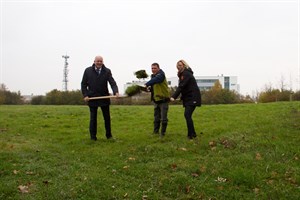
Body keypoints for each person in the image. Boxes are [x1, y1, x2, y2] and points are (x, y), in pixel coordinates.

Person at [81, 55, 119, 140]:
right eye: (97, 61)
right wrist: (85, 95)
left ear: (103, 62)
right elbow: (83, 84)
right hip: (92, 98)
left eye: (100, 61)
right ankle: (93, 137)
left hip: (104, 97)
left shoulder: (107, 71)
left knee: (107, 118)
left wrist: (116, 92)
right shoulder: (88, 71)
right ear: (94, 61)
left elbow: (112, 82)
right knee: (93, 118)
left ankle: (109, 136)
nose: (99, 63)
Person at [170, 59, 201, 140]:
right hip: (188, 97)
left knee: (187, 115)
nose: (178, 67)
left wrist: (174, 96)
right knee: (187, 115)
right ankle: (192, 134)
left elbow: (181, 86)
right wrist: (182, 97)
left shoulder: (186, 74)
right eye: (177, 66)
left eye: (180, 65)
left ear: (184, 65)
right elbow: (185, 88)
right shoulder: (182, 75)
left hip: (193, 97)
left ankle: (191, 135)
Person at [145, 63, 170, 138]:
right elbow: (153, 87)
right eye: (152, 68)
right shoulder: (153, 76)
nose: (153, 70)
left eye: (155, 68)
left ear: (158, 68)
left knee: (163, 118)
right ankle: (155, 132)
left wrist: (146, 84)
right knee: (156, 117)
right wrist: (148, 89)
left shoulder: (161, 75)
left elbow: (157, 80)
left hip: (163, 99)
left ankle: (162, 133)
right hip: (156, 100)